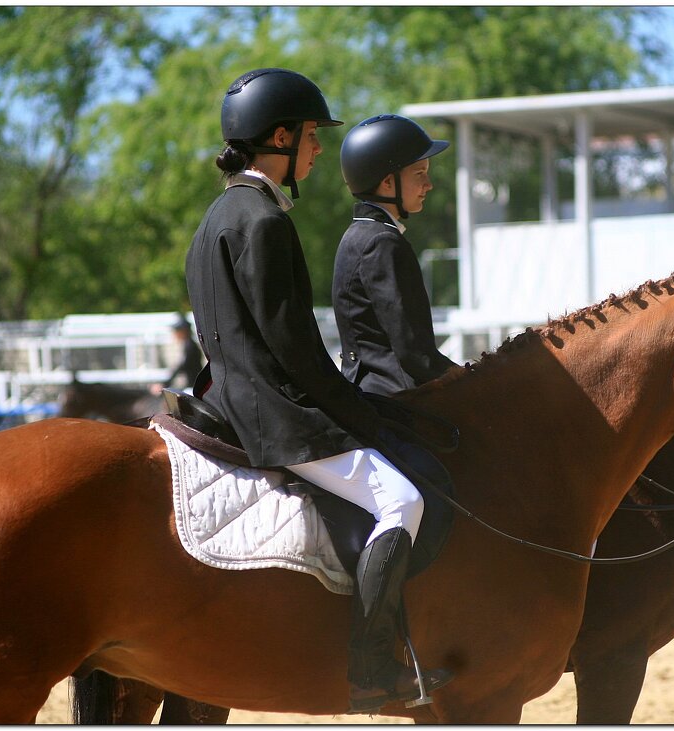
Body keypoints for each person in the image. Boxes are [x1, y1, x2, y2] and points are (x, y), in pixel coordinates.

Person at [183, 68, 451, 713]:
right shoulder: (264, 222)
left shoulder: (220, 214)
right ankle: (369, 669)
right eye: (310, 137)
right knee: (401, 501)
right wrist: (359, 414)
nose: (318, 150)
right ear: (279, 137)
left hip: (224, 399)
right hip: (272, 414)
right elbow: (295, 351)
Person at [332, 115, 459, 396]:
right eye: (419, 174)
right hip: (393, 396)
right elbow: (414, 353)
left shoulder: (359, 234)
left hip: (370, 389)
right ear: (388, 183)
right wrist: (470, 378)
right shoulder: (382, 241)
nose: (429, 184)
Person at [153, 314, 204, 395]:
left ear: (184, 331)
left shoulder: (190, 346)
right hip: (190, 385)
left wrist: (164, 384)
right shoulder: (188, 345)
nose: (174, 334)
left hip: (193, 387)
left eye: (176, 330)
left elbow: (182, 366)